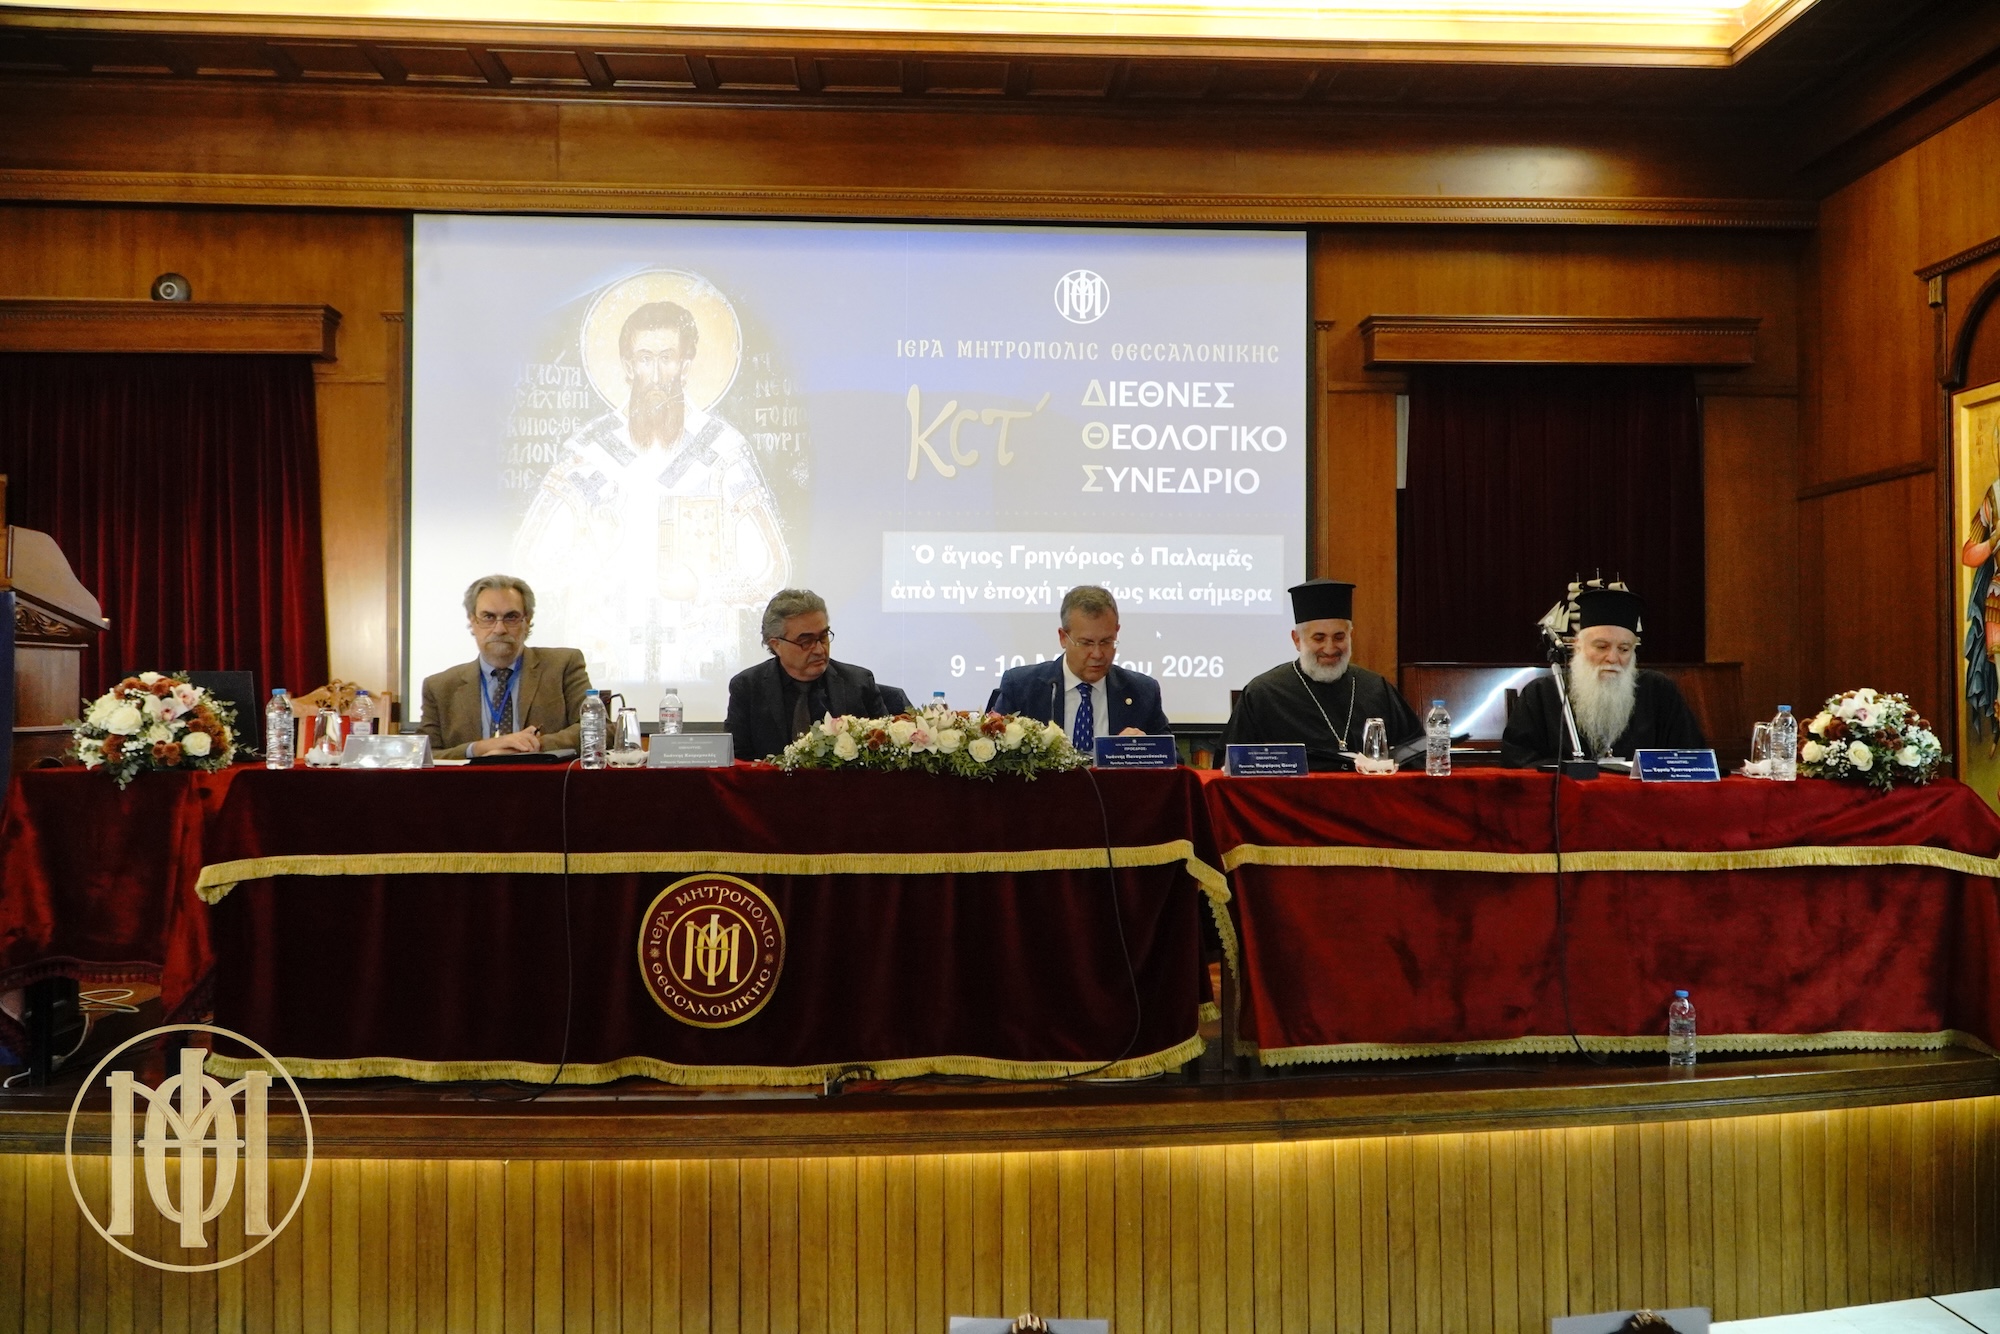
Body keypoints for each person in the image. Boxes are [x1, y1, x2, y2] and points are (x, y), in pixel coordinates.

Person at [514, 298, 790, 688]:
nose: (657, 374)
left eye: (667, 358)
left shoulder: (721, 451)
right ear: (628, 366)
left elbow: (771, 569)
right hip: (604, 661)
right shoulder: (590, 454)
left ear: (686, 366)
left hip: (700, 665)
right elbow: (529, 564)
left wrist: (701, 586)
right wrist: (594, 551)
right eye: (645, 359)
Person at [1222, 579, 1421, 771]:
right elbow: (1230, 764)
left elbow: (1417, 752)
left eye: (1339, 637)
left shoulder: (1377, 689)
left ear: (1350, 636)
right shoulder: (1263, 693)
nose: (1330, 648)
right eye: (1319, 638)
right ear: (1297, 640)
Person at [1500, 582, 1705, 766]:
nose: (1613, 658)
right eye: (1601, 647)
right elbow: (1517, 762)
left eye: (1624, 649)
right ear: (1578, 646)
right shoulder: (1542, 693)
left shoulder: (1658, 691)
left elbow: (1692, 760)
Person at [419, 574, 592, 759]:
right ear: (472, 621)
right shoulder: (439, 687)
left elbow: (597, 728)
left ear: (527, 620)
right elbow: (423, 755)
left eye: (511, 617)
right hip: (471, 778)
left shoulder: (563, 665)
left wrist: (534, 745)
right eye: (488, 617)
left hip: (542, 776)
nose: (499, 629)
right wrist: (479, 748)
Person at [991, 585, 1171, 746]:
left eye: (1106, 641)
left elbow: (1174, 761)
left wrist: (1145, 748)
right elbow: (994, 757)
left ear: (1117, 632)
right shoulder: (1021, 688)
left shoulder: (1142, 692)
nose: (1097, 654)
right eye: (1086, 643)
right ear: (1063, 637)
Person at [725, 588, 888, 760]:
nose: (819, 650)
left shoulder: (859, 684)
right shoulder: (747, 687)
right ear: (776, 645)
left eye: (823, 637)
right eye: (806, 641)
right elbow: (736, 759)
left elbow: (885, 751)